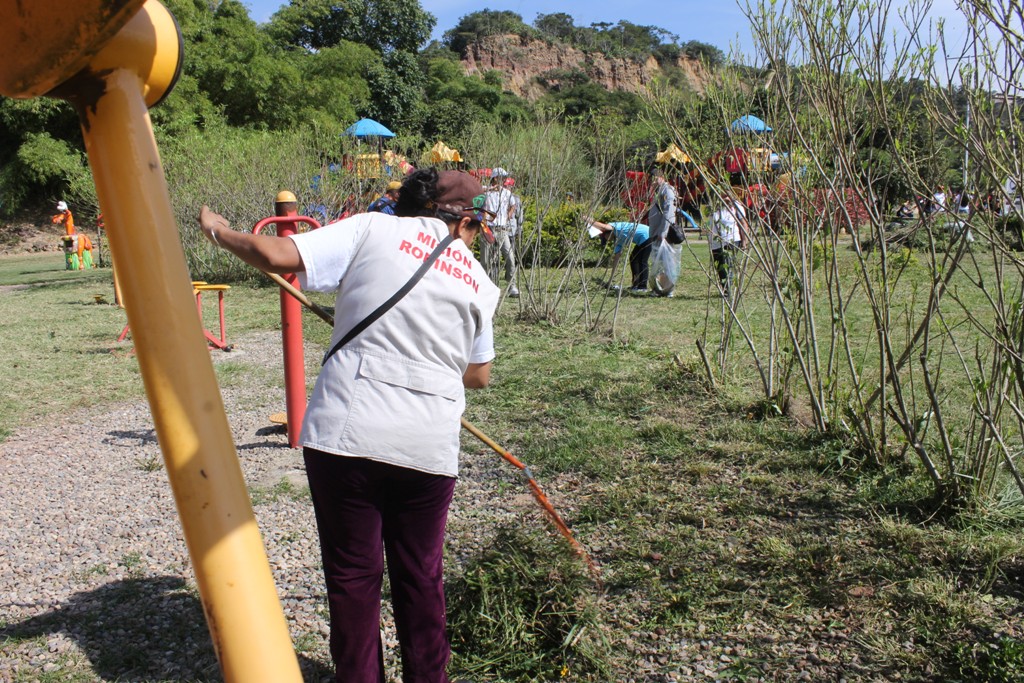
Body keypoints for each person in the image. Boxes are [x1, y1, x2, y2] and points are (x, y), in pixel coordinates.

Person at [197, 168, 501, 683]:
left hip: (346, 432)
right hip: (427, 444)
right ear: (464, 222)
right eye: (476, 230)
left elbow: (276, 256)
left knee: (354, 578)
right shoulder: (481, 284)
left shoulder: (371, 229)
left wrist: (217, 230)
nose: (473, 241)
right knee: (421, 578)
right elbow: (478, 375)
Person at [588, 218, 653, 294]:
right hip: (642, 239)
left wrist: (588, 220)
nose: (608, 241)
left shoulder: (613, 227)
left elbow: (604, 227)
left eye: (605, 239)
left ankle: (642, 287)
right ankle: (636, 284)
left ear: (606, 233)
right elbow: (616, 259)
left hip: (647, 234)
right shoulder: (618, 240)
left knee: (642, 260)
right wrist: (610, 280)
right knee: (633, 258)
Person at [482, 169, 519, 297]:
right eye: (501, 177)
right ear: (495, 178)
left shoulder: (507, 193)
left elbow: (513, 205)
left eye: (504, 177)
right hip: (488, 228)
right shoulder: (486, 192)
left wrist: (507, 216)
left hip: (502, 229)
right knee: (486, 260)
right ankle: (485, 285)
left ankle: (512, 286)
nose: (504, 180)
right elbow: (478, 195)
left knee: (510, 257)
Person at [708, 189, 748, 297]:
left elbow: (743, 223)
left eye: (726, 194)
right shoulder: (715, 205)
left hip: (731, 239)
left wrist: (744, 241)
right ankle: (725, 288)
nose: (724, 196)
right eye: (722, 194)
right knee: (720, 267)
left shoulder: (736, 206)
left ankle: (728, 291)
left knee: (727, 264)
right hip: (716, 242)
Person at [647, 168, 677, 242]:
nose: (653, 182)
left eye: (655, 179)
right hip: (656, 233)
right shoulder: (658, 191)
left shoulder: (667, 190)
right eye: (651, 179)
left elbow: (668, 212)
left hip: (663, 235)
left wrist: (662, 232)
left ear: (662, 178)